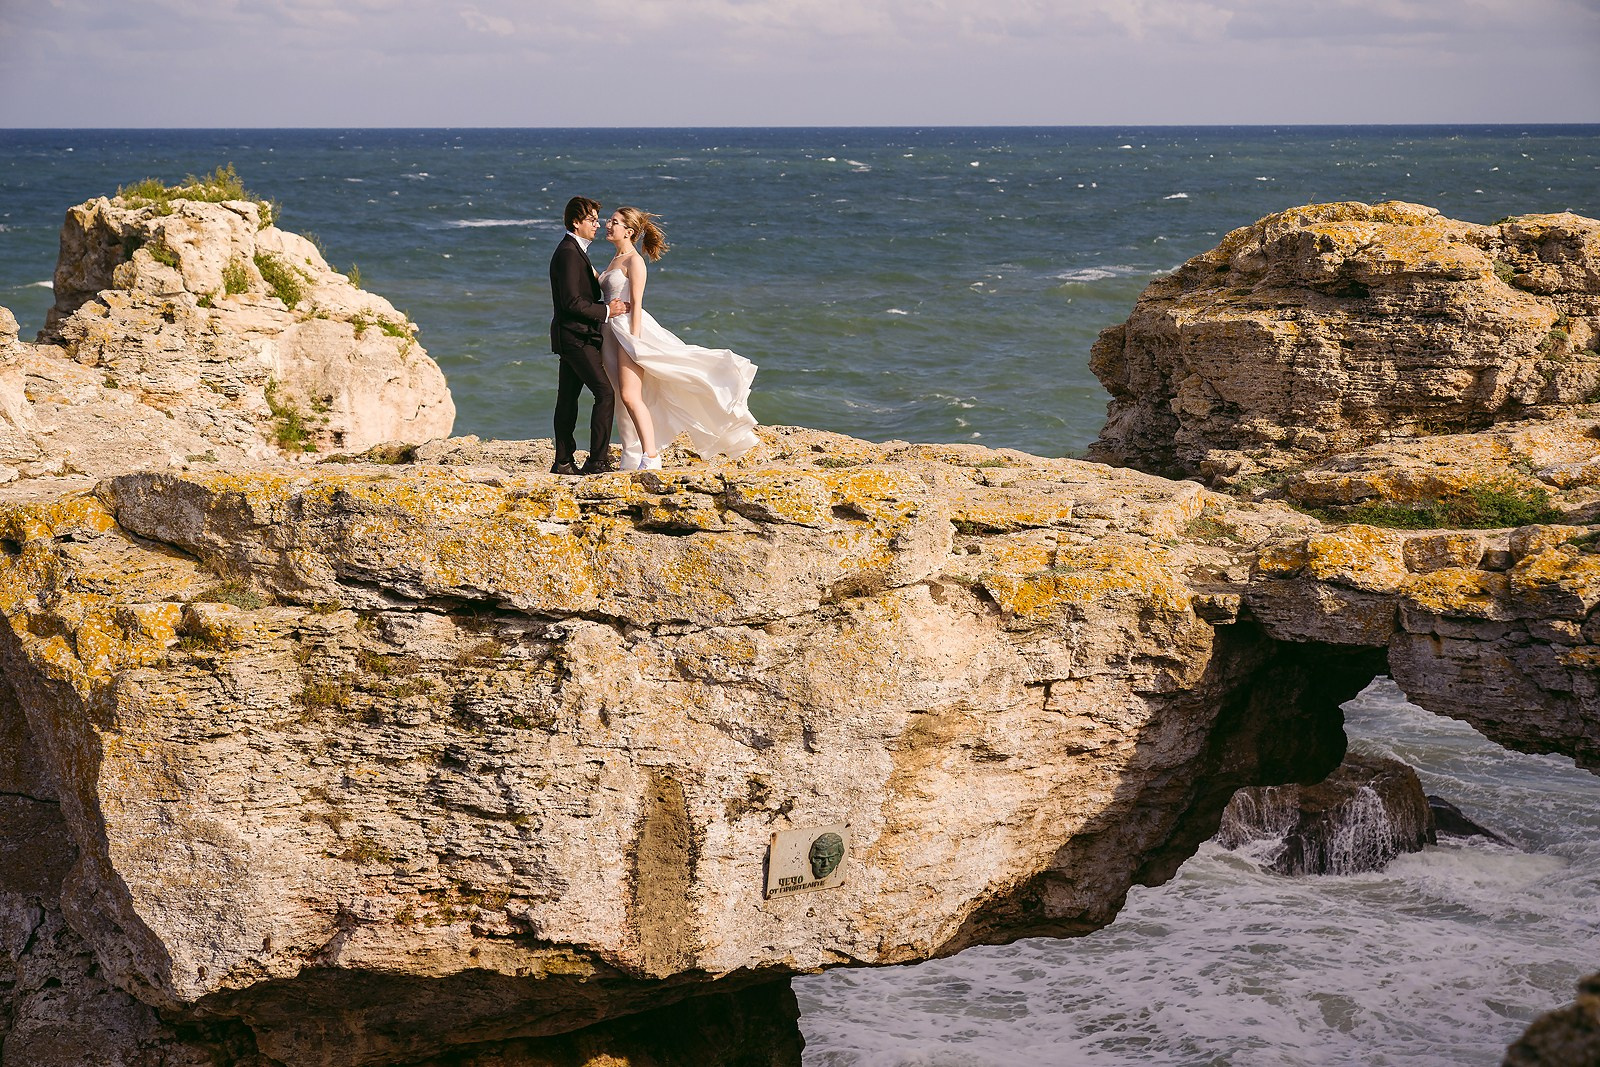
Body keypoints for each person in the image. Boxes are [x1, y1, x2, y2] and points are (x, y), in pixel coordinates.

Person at [599, 206, 758, 470]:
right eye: (609, 220)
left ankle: (650, 457)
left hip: (626, 332)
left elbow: (636, 303)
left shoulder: (633, 261)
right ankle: (630, 455)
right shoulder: (615, 259)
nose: (607, 224)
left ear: (628, 231)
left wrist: (635, 342)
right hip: (609, 333)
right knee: (619, 396)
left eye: (613, 222)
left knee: (630, 395)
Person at [549, 196, 629, 475]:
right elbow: (572, 302)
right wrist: (607, 310)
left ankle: (563, 461)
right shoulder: (570, 252)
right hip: (576, 337)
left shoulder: (574, 250)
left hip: (572, 335)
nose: (598, 224)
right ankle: (596, 461)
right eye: (592, 219)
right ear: (575, 222)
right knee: (605, 393)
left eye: (597, 219)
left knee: (568, 399)